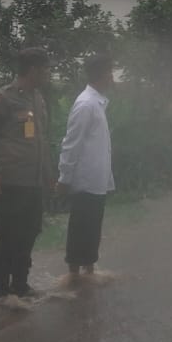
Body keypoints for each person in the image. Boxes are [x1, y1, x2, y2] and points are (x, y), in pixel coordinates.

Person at [0, 47, 53, 301]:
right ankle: (1, 289)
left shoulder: (38, 98)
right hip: (10, 179)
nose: (49, 73)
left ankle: (20, 283)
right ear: (33, 70)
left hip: (33, 180)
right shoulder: (3, 99)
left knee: (30, 230)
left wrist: (49, 174)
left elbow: (42, 139)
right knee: (7, 233)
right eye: (46, 68)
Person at [56, 54, 116, 280]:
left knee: (92, 230)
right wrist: (64, 177)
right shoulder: (85, 104)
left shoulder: (97, 103)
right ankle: (73, 278)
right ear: (102, 74)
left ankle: (88, 276)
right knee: (81, 229)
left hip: (97, 180)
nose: (112, 78)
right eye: (110, 72)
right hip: (85, 181)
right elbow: (71, 143)